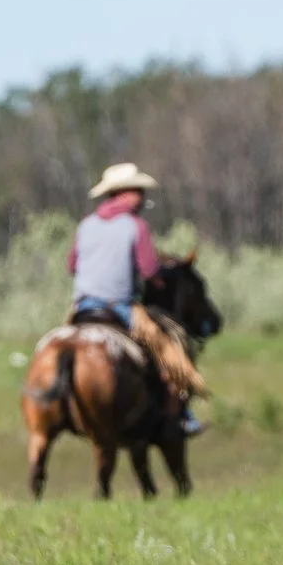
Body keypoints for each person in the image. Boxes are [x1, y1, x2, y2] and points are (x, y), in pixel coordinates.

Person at [67, 162, 208, 436]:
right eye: (138, 191)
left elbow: (72, 266)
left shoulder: (86, 225)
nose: (142, 198)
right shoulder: (136, 226)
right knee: (168, 346)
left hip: (82, 305)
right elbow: (150, 271)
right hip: (120, 305)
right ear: (124, 193)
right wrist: (159, 278)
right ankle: (182, 413)